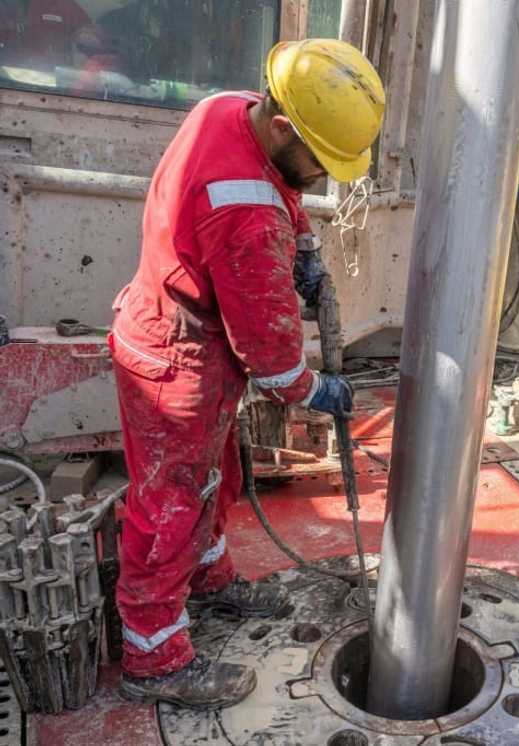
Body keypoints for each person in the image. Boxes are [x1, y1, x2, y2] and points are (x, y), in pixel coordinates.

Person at [109, 38, 385, 709]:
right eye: (321, 161)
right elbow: (270, 357)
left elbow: (277, 183)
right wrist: (319, 391)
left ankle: (206, 580)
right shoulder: (245, 213)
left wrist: (308, 245)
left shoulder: (232, 110)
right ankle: (155, 658)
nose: (323, 176)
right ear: (286, 125)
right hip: (178, 355)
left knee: (218, 477)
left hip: (189, 335)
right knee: (171, 502)